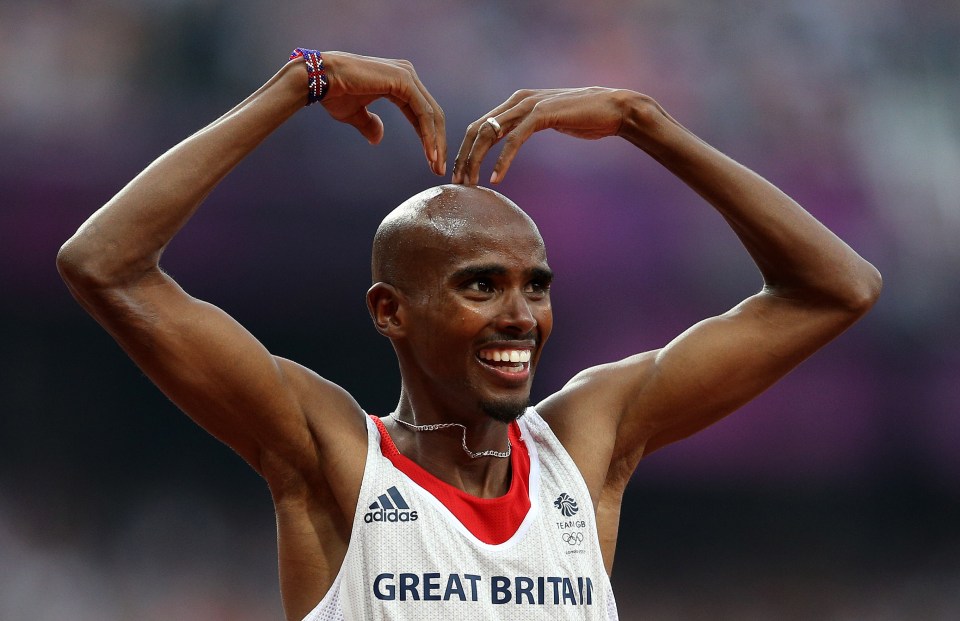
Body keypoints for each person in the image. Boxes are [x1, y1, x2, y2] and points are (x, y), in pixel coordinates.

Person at [57, 48, 881, 620]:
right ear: (390, 311)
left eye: (535, 286)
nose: (520, 314)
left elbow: (836, 288)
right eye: (480, 285)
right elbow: (105, 264)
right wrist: (297, 85)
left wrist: (645, 122)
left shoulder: (585, 446)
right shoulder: (335, 458)